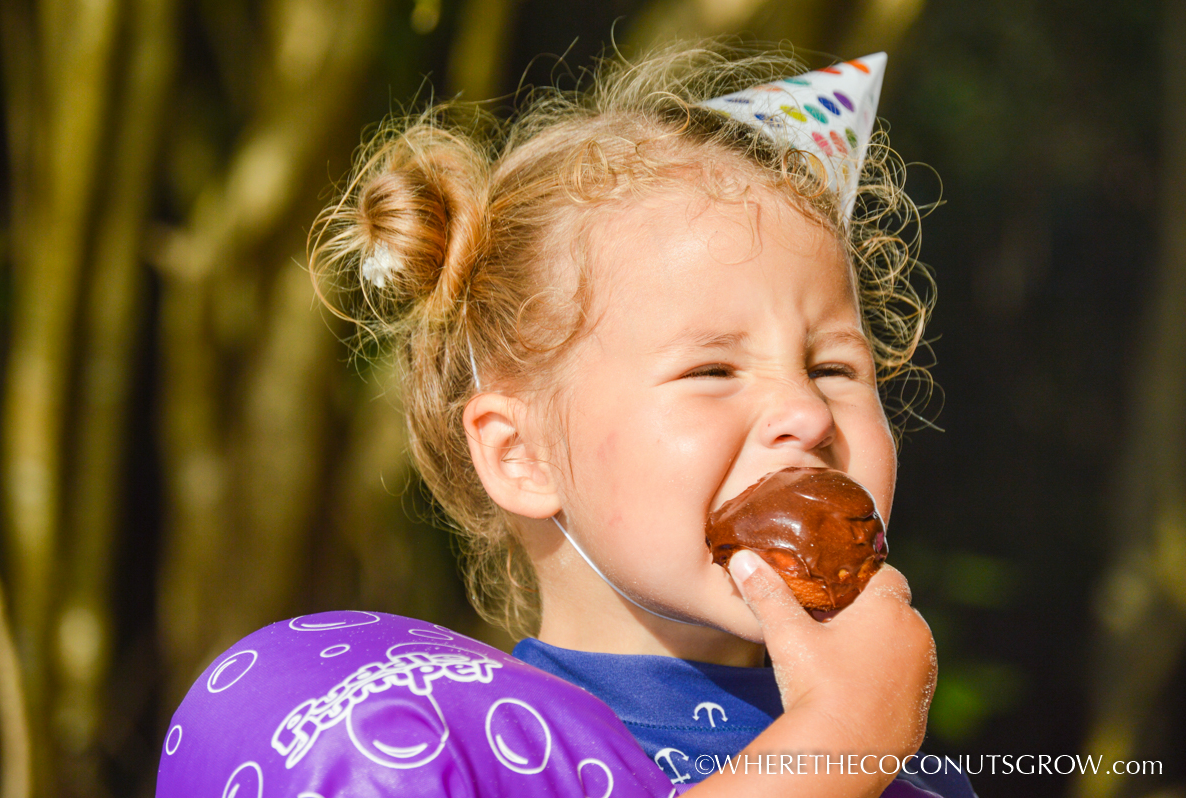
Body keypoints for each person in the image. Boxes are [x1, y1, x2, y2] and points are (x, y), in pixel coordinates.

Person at [156, 43, 975, 798]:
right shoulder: (482, 754)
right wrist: (834, 746)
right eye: (712, 370)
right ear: (523, 457)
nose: (804, 412)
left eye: (835, 368)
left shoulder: (918, 766)